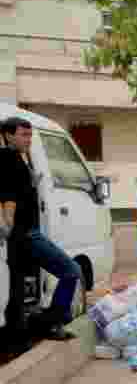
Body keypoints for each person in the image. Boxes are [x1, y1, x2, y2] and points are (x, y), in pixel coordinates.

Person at [0, 116, 81, 342]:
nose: (29, 139)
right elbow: (8, 195)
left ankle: (18, 333)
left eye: (30, 135)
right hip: (25, 233)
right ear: (8, 135)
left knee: (17, 286)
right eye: (23, 135)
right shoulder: (8, 158)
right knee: (71, 270)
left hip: (21, 234)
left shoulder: (17, 158)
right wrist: (8, 224)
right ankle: (52, 322)